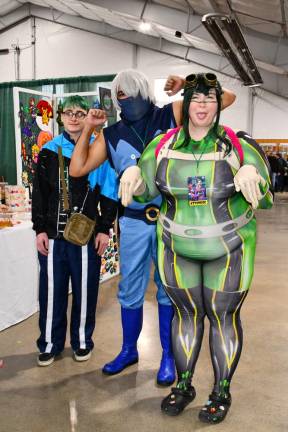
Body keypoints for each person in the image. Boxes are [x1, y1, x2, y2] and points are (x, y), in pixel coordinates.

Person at [118, 73, 273, 423]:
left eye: (209, 98)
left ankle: (221, 391)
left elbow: (263, 198)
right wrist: (133, 172)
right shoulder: (162, 145)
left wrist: (253, 169)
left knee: (223, 317)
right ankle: (184, 383)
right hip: (176, 245)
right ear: (185, 103)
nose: (202, 106)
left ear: (219, 103)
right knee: (185, 316)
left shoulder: (236, 144)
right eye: (196, 98)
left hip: (229, 247)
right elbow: (142, 192)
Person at [70, 69, 236, 385]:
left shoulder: (170, 114)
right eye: (121, 94)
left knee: (168, 289)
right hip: (132, 221)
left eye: (133, 92)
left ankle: (169, 357)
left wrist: (188, 86)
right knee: (129, 289)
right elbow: (78, 168)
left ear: (146, 91)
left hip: (170, 219)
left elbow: (225, 98)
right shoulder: (113, 133)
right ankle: (128, 350)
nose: (127, 99)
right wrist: (90, 128)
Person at [32, 95, 118, 366]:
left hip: (86, 235)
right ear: (60, 117)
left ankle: (82, 341)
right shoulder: (48, 152)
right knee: (51, 292)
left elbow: (109, 192)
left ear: (87, 118)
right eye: (68, 112)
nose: (73, 117)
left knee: (85, 292)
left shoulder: (99, 151)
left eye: (80, 113)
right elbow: (41, 194)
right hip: (54, 238)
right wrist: (40, 230)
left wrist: (105, 229)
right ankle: (49, 343)